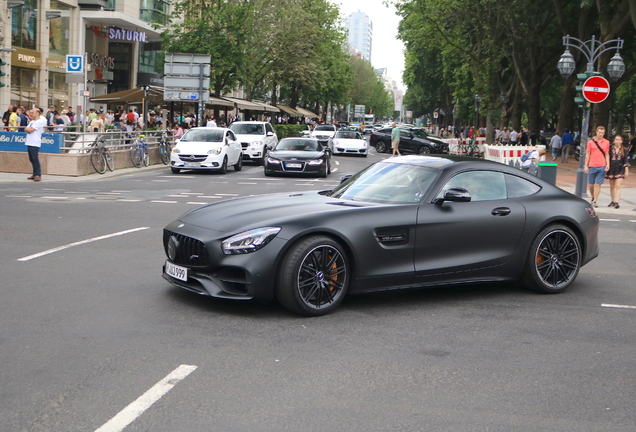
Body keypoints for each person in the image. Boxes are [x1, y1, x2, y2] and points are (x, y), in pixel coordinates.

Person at [584, 125, 610, 208]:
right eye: (599, 133)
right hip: (592, 165)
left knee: (598, 184)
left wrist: (607, 164)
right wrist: (586, 165)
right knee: (591, 184)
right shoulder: (590, 142)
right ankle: (593, 196)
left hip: (602, 165)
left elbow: (607, 154)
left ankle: (595, 200)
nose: (601, 134)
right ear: (596, 132)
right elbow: (588, 154)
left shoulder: (606, 142)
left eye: (602, 133)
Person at [606, 135, 629, 209]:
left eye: (619, 140)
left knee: (618, 185)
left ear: (621, 141)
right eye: (616, 139)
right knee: (612, 186)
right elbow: (608, 158)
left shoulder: (624, 150)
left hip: (620, 168)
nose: (617, 141)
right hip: (612, 168)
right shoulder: (610, 149)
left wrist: (626, 170)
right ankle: (612, 200)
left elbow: (625, 160)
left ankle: (616, 201)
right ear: (614, 140)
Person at [24, 108, 47, 182]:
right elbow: (27, 129)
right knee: (31, 158)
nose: (31, 114)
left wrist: (27, 129)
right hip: (30, 141)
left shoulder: (39, 122)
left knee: (34, 158)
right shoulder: (32, 121)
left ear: (37, 113)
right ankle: (34, 173)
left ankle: (38, 174)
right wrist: (27, 129)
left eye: (32, 113)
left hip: (35, 142)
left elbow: (30, 130)